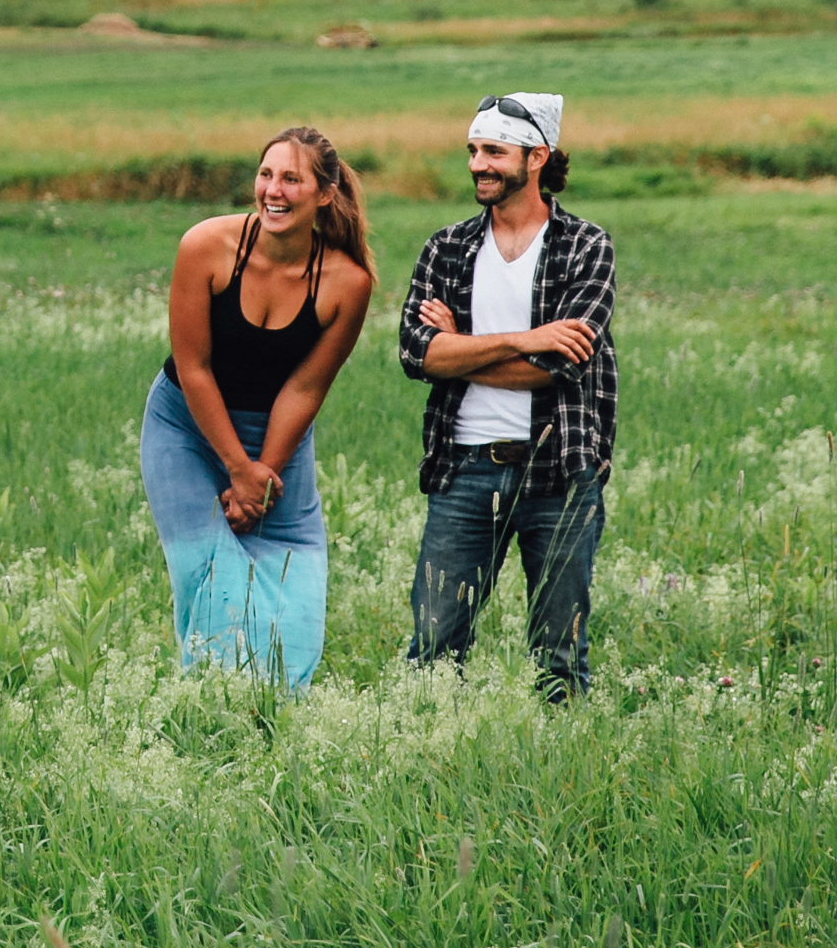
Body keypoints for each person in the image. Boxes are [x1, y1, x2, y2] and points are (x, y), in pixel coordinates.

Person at [139, 125, 374, 690]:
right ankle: (208, 709)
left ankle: (273, 715)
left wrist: (261, 474)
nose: (274, 190)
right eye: (266, 174)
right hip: (185, 428)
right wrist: (239, 471)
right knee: (211, 576)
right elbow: (193, 368)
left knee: (296, 595)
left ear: (324, 193)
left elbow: (305, 390)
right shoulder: (205, 247)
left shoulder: (348, 282)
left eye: (292, 179)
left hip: (278, 441)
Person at [401, 91, 616, 702]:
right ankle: (430, 764)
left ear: (536, 157)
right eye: (472, 151)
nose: (477, 164)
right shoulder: (447, 247)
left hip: (560, 471)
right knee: (434, 649)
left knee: (559, 657)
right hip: (464, 468)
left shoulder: (585, 247)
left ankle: (563, 772)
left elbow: (560, 366)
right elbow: (416, 354)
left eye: (493, 151)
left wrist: (459, 350)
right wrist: (521, 339)